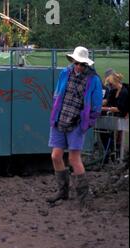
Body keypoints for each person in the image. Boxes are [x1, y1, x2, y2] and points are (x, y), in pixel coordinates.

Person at [47, 46, 103, 208]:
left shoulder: (94, 80)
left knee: (73, 158)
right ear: (73, 61)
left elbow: (96, 106)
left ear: (87, 65)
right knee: (56, 156)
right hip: (60, 119)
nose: (78, 66)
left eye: (82, 64)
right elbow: (58, 93)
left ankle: (84, 198)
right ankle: (63, 191)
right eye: (77, 63)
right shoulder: (65, 73)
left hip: (77, 123)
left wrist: (88, 122)